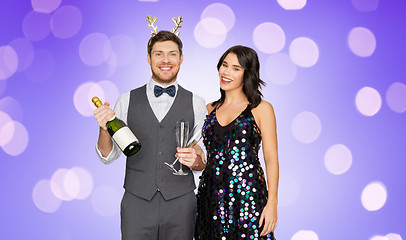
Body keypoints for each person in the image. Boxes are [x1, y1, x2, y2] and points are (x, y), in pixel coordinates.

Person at [93, 29, 207, 240]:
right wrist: (103, 129)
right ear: (148, 58)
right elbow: (108, 156)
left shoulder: (197, 103)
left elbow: (203, 159)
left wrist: (196, 161)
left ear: (181, 59)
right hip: (137, 203)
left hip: (181, 204)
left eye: (172, 54)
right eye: (158, 53)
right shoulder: (126, 100)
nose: (166, 60)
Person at [195, 45, 279, 240]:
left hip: (248, 197)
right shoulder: (208, 109)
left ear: (247, 74)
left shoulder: (261, 109)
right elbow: (200, 151)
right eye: (224, 65)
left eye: (236, 68)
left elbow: (271, 158)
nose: (226, 72)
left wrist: (272, 203)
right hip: (211, 196)